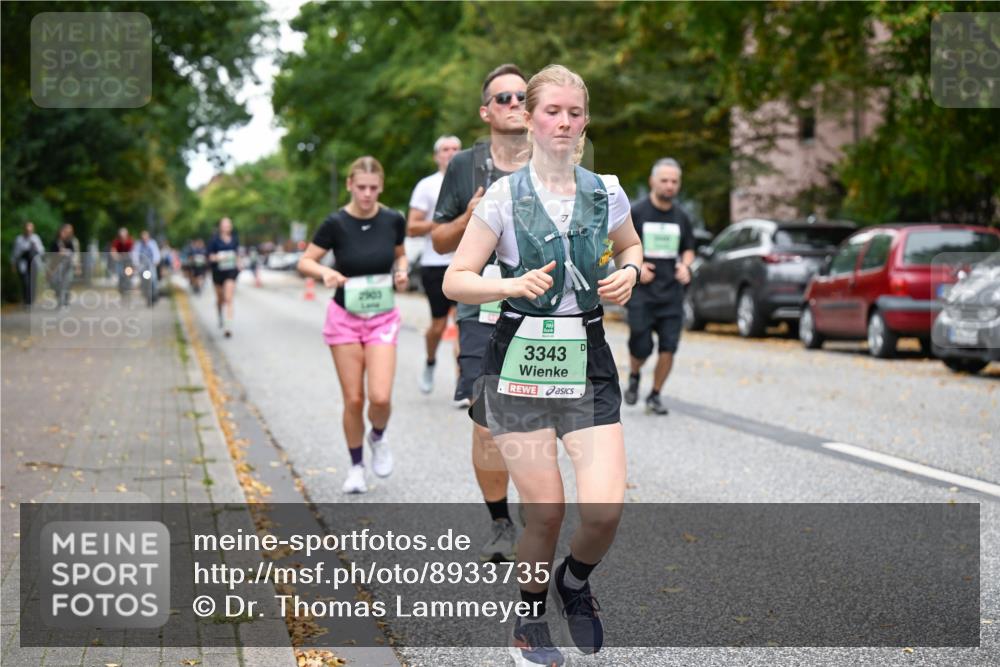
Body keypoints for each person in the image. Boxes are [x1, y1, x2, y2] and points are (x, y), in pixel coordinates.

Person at [443, 64, 643, 666]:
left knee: (605, 509)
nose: (564, 122)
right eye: (552, 111)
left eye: (574, 113)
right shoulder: (503, 196)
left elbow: (631, 245)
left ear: (585, 122)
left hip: (588, 358)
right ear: (529, 118)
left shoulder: (606, 189)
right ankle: (529, 621)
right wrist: (507, 284)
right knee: (548, 511)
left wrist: (630, 271)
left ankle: (574, 582)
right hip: (519, 361)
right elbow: (457, 279)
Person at [430, 63, 531, 563]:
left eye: (522, 96)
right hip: (482, 307)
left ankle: (539, 497)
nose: (515, 104)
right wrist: (470, 215)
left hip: (543, 306)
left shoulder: (556, 157)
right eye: (504, 98)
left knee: (540, 415)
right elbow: (440, 239)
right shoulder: (464, 166)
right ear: (486, 110)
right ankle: (500, 522)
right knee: (488, 420)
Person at [297, 157, 408, 494]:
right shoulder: (335, 223)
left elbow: (400, 253)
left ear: (381, 188)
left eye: (373, 188)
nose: (367, 194)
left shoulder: (392, 220)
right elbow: (305, 261)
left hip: (382, 317)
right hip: (344, 318)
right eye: (361, 187)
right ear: (349, 185)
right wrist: (324, 273)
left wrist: (401, 271)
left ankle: (377, 435)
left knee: (380, 396)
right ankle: (357, 466)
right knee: (354, 399)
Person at [624, 158, 696, 415]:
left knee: (669, 347)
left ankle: (655, 395)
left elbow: (688, 249)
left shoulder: (681, 217)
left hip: (671, 294)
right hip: (642, 294)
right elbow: (620, 246)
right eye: (664, 180)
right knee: (641, 345)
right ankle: (634, 375)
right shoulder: (637, 212)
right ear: (652, 181)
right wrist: (637, 267)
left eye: (674, 181)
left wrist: (685, 266)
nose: (669, 185)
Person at [408, 135, 462, 394]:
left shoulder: (472, 184)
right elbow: (412, 227)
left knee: (465, 325)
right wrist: (442, 225)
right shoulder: (426, 186)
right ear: (436, 156)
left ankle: (462, 384)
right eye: (445, 149)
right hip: (434, 263)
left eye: (455, 149)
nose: (450, 153)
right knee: (439, 326)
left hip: (466, 264)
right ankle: (430, 361)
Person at [207, 218, 241, 338]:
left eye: (228, 224)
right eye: (224, 224)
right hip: (218, 272)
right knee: (220, 299)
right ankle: (220, 314)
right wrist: (219, 257)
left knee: (228, 298)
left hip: (231, 272)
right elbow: (210, 257)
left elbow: (237, 254)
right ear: (220, 226)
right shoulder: (214, 240)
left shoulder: (235, 239)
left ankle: (228, 326)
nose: (227, 226)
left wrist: (239, 263)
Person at [11, 221, 44, 306]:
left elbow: (41, 251)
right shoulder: (19, 239)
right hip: (23, 264)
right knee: (25, 282)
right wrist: (13, 264)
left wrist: (35, 247)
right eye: (27, 229)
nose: (28, 231)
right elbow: (15, 253)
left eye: (30, 229)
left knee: (33, 282)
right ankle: (26, 301)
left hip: (33, 264)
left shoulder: (36, 238)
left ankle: (32, 300)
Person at [48, 223, 80, 308]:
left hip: (68, 266)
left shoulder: (70, 242)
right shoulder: (55, 242)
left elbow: (74, 254)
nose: (65, 234)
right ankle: (60, 299)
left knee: (66, 283)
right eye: (63, 232)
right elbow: (51, 256)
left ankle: (64, 302)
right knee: (55, 283)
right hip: (57, 267)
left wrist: (77, 266)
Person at [132, 230, 161, 304]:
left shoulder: (152, 243)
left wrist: (156, 260)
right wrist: (136, 263)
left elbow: (156, 253)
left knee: (153, 279)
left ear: (148, 237)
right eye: (143, 238)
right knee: (143, 281)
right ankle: (146, 295)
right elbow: (135, 254)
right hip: (142, 265)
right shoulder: (138, 244)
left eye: (145, 238)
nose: (144, 239)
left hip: (151, 264)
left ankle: (155, 294)